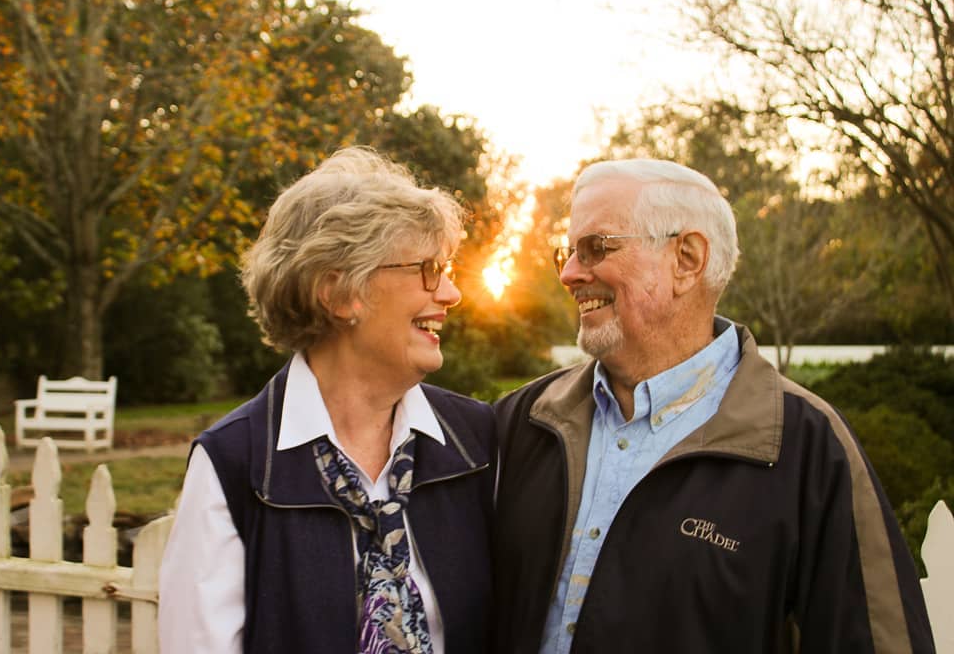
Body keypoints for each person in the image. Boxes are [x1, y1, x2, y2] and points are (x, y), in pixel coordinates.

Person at [492, 159, 935, 653]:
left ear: (687, 259)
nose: (570, 274)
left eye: (596, 248)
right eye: (567, 253)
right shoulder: (520, 421)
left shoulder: (807, 446)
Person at [158, 146, 495, 653]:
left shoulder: (477, 442)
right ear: (339, 294)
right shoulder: (235, 464)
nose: (450, 293)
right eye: (426, 269)